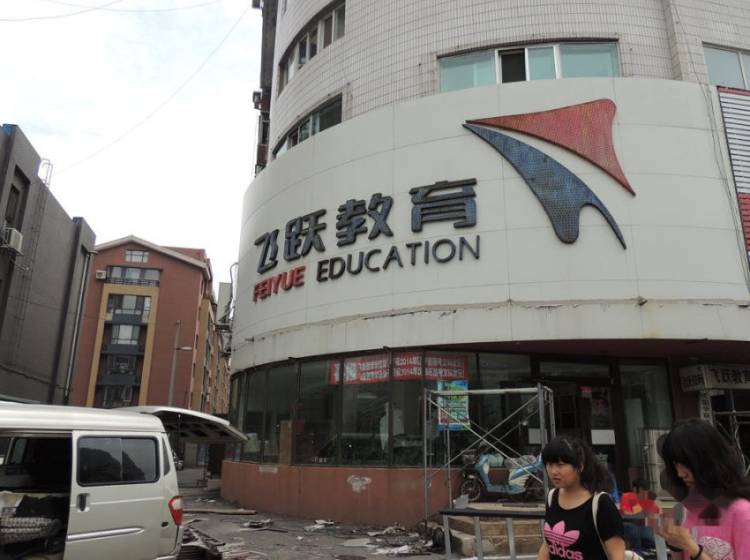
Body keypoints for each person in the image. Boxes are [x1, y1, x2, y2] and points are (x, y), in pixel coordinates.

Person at [656, 419, 750, 560]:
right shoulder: (692, 509)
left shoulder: (742, 513)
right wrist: (675, 543)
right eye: (675, 464)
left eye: (685, 463)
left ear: (707, 460)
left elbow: (692, 549)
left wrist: (693, 549)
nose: (680, 473)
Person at [537, 436, 626, 560]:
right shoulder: (552, 497)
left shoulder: (601, 503)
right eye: (549, 464)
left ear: (580, 466)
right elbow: (548, 545)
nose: (553, 471)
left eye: (560, 465)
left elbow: (617, 555)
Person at [620, 478, 660, 553]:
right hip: (631, 526)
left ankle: (650, 550)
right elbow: (625, 514)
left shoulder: (650, 499)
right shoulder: (626, 497)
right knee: (632, 528)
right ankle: (638, 552)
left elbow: (655, 515)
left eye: (646, 491)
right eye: (642, 490)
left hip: (645, 527)